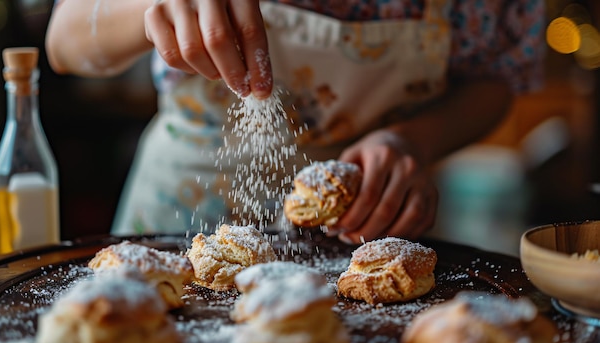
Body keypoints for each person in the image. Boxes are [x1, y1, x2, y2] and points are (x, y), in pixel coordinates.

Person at [45, 0, 545, 244]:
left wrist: (415, 139)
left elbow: (497, 77)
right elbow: (64, 42)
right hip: (177, 218)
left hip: (364, 222)